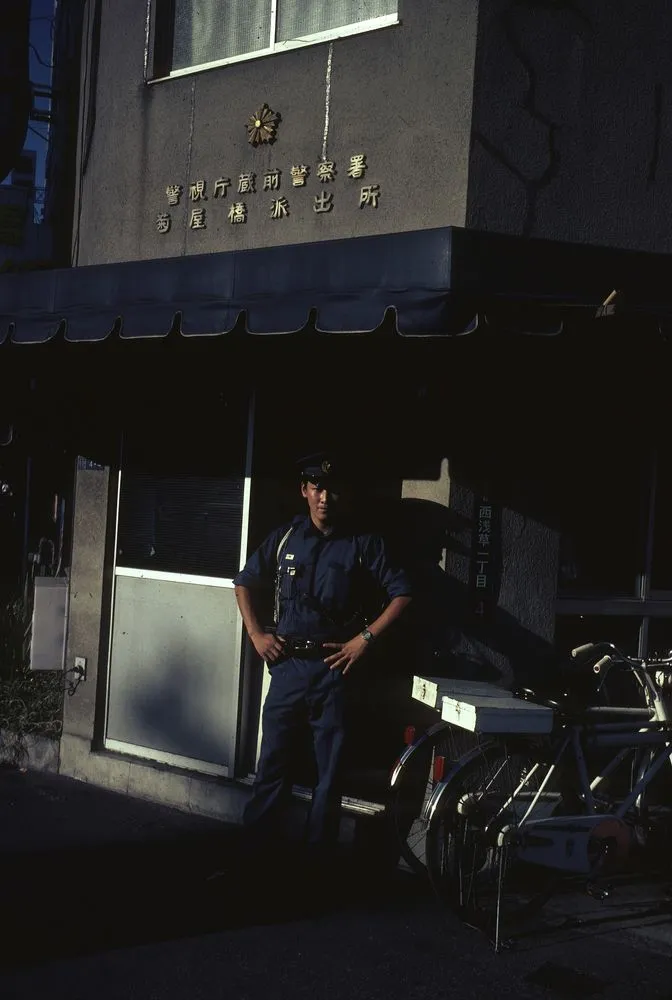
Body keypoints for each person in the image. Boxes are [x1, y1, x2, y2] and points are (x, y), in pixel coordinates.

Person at [233, 452, 412, 857]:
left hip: (334, 672)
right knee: (272, 767)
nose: (324, 496)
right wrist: (257, 634)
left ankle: (316, 865)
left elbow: (403, 593)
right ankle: (253, 854)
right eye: (316, 487)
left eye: (332, 488)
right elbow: (243, 583)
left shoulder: (363, 544)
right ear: (304, 491)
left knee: (329, 775)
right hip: (288, 668)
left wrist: (364, 638)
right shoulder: (285, 539)